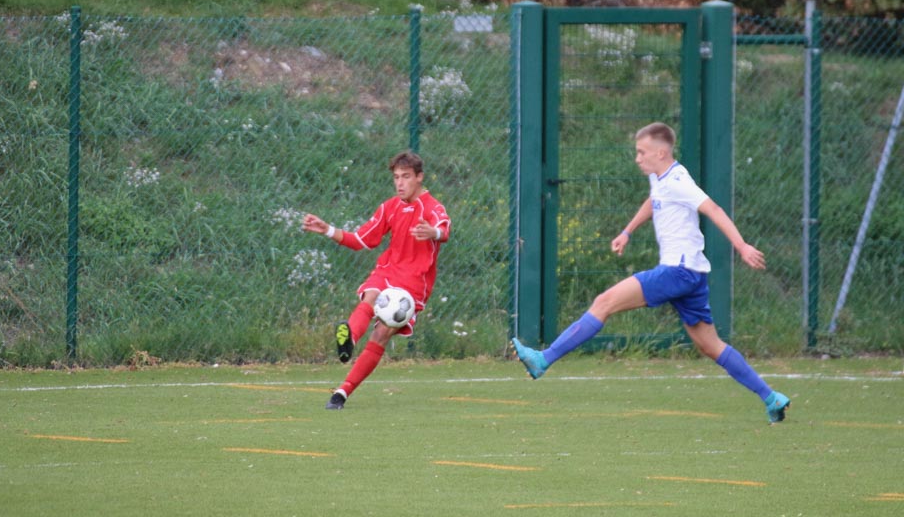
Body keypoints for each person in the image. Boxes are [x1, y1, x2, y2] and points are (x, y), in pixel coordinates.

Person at [511, 122, 791, 424]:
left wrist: (742, 246)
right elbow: (654, 201)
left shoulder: (679, 180)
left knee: (604, 302)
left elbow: (714, 209)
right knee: (710, 345)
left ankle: (543, 359)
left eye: (641, 152)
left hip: (677, 272)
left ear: (661, 153)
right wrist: (627, 231)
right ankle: (771, 398)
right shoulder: (661, 177)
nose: (637, 158)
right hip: (692, 275)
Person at [302, 150, 450, 410]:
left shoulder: (432, 207)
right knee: (370, 296)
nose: (400, 183)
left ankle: (342, 393)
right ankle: (348, 341)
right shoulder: (389, 207)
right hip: (388, 271)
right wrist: (328, 230)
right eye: (396, 177)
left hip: (414, 282)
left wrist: (433, 232)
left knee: (381, 333)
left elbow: (444, 230)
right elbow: (360, 240)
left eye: (406, 177)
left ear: (419, 177)